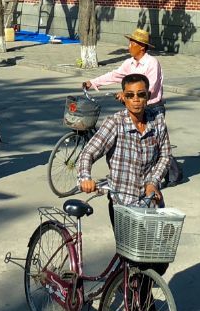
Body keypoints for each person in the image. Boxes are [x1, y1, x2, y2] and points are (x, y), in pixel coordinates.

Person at [76, 72, 174, 275]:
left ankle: (129, 289)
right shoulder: (115, 123)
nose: (136, 100)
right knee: (138, 263)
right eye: (130, 95)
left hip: (150, 202)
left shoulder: (157, 122)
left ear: (148, 96)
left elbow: (165, 155)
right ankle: (140, 303)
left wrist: (153, 181)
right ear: (123, 96)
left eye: (141, 94)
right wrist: (85, 178)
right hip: (123, 205)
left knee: (159, 262)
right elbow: (88, 153)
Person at [82, 28, 181, 184]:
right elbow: (115, 75)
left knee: (156, 144)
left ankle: (172, 174)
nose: (129, 46)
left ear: (141, 46)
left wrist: (130, 94)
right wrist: (93, 82)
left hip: (152, 107)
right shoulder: (129, 63)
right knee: (138, 141)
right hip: (135, 108)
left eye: (132, 43)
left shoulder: (152, 63)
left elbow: (151, 89)